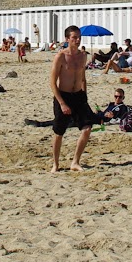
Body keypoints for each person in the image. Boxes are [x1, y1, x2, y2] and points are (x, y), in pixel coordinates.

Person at [50, 24, 97, 172]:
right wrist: (62, 103)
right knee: (59, 132)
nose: (77, 40)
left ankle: (75, 162)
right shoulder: (61, 56)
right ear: (67, 39)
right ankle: (55, 164)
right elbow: (52, 82)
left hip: (79, 96)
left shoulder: (83, 56)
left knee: (87, 128)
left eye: (79, 37)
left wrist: (85, 97)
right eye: (74, 38)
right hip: (63, 96)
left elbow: (83, 78)